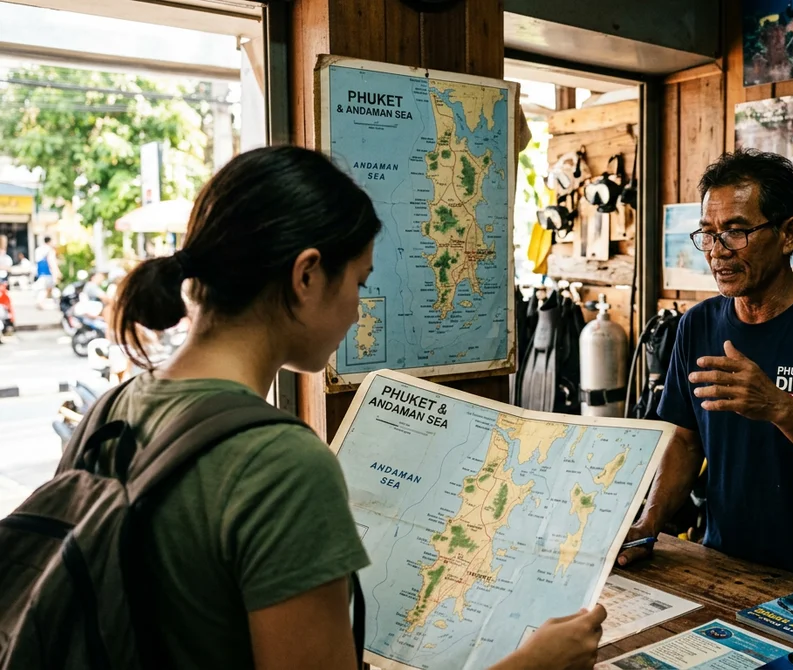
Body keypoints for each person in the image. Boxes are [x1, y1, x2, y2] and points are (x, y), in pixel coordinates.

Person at [108, 145, 605, 670]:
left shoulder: (116, 411)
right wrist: (532, 665)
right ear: (306, 276)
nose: (358, 309)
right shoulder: (277, 463)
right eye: (360, 283)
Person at [618, 149, 793, 589]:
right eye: (708, 235)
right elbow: (686, 443)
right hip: (721, 565)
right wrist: (648, 523)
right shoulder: (697, 325)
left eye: (735, 233)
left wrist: (779, 407)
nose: (717, 252)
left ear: (788, 234)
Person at [34, 235, 60, 303]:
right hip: (48, 272)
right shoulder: (50, 250)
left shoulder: (38, 249)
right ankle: (41, 301)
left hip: (40, 272)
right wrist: (56, 272)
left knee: (47, 288)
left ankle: (44, 301)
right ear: (50, 241)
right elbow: (51, 262)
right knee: (48, 288)